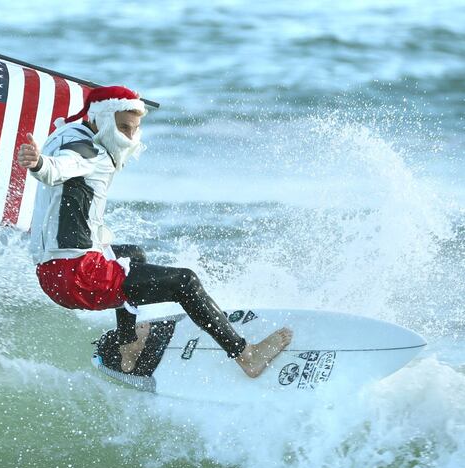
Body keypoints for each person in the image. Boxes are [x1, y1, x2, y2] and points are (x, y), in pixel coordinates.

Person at [18, 86, 292, 377]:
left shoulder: (68, 133)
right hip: (77, 276)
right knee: (185, 281)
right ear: (101, 117)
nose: (129, 137)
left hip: (54, 271)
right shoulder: (88, 152)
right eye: (122, 127)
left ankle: (128, 345)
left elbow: (64, 156)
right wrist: (38, 163)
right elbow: (60, 166)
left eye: (134, 129)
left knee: (133, 255)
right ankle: (246, 355)